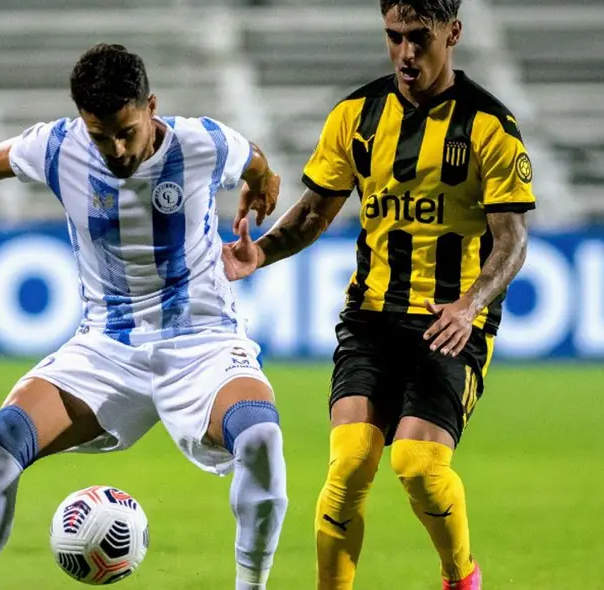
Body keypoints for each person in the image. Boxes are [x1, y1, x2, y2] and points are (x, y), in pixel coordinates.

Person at [0, 43, 287, 590]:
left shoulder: (201, 141)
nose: (114, 149)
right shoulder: (60, 145)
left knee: (260, 440)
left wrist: (259, 188)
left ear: (151, 106)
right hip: (106, 347)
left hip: (202, 341)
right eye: (99, 134)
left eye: (126, 130)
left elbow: (258, 162)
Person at [222, 1, 536, 588]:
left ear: (454, 33)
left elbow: (513, 241)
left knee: (418, 466)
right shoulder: (357, 115)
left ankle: (460, 575)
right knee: (348, 467)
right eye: (395, 37)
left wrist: (470, 305)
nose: (406, 53)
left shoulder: (489, 126)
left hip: (451, 323)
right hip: (370, 316)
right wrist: (260, 251)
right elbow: (315, 210)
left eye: (420, 38)